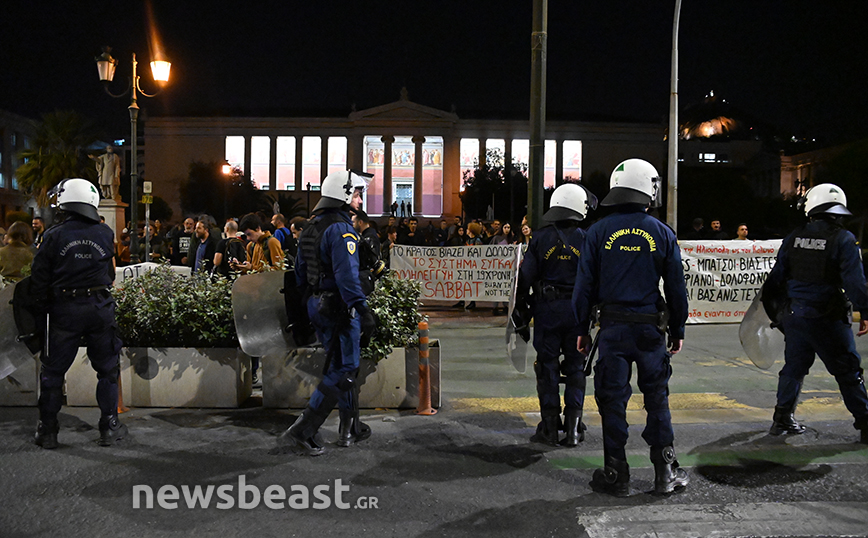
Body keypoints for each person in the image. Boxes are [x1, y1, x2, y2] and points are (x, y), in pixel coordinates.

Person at [573, 159, 689, 496]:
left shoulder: (597, 232)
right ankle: (665, 471)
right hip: (650, 331)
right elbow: (676, 288)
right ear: (647, 188)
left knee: (612, 400)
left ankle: (616, 473)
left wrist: (582, 328)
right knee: (657, 398)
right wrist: (678, 329)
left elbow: (584, 287)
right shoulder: (662, 232)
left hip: (612, 330)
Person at [280, 169, 376, 456]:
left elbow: (299, 272)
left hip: (317, 304)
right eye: (357, 194)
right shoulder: (342, 230)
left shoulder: (311, 227)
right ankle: (303, 429)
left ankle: (350, 428)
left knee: (342, 365)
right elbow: (347, 278)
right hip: (339, 307)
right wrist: (362, 309)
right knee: (345, 369)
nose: (360, 200)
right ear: (343, 195)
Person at [763, 184, 868, 444]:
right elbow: (854, 283)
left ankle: (782, 418)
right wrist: (865, 310)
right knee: (848, 371)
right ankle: (865, 422)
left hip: (795, 316)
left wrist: (779, 314)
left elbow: (776, 279)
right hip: (828, 318)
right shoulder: (843, 239)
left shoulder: (794, 237)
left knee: (794, 368)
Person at [29, 178, 127, 449]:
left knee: (53, 372)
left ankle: (48, 430)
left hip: (65, 309)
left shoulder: (53, 235)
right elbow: (109, 274)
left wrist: (42, 309)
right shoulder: (104, 233)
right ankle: (109, 426)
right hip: (99, 307)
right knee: (107, 370)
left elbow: (38, 279)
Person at [517, 183, 596, 447]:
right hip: (578, 313)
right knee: (576, 367)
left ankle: (549, 427)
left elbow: (525, 276)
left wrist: (521, 306)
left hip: (547, 311)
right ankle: (573, 428)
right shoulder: (587, 238)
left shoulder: (540, 238)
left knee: (546, 366)